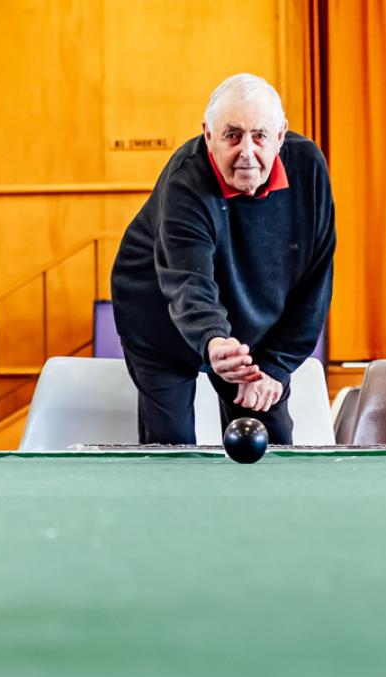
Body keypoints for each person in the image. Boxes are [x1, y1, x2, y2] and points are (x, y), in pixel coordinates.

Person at [110, 73, 336, 444]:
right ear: (208, 135)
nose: (247, 151)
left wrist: (276, 367)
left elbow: (315, 282)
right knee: (172, 447)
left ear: (280, 136)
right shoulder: (186, 179)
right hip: (159, 313)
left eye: (260, 136)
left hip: (248, 319)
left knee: (270, 440)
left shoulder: (308, 169)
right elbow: (187, 280)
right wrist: (214, 340)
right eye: (232, 135)